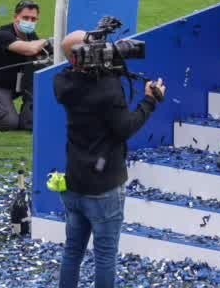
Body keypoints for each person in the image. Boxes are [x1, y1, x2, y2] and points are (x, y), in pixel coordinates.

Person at [54, 31, 164, 288]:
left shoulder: (62, 82)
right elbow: (125, 128)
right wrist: (150, 101)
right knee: (105, 255)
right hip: (104, 187)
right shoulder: (107, 88)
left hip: (74, 181)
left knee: (73, 250)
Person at [0, 0, 50, 132]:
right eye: (25, 18)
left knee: (30, 123)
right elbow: (30, 49)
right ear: (15, 17)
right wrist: (47, 41)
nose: (29, 22)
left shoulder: (31, 36)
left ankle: (25, 115)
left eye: (33, 19)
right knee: (9, 123)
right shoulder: (2, 35)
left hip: (16, 86)